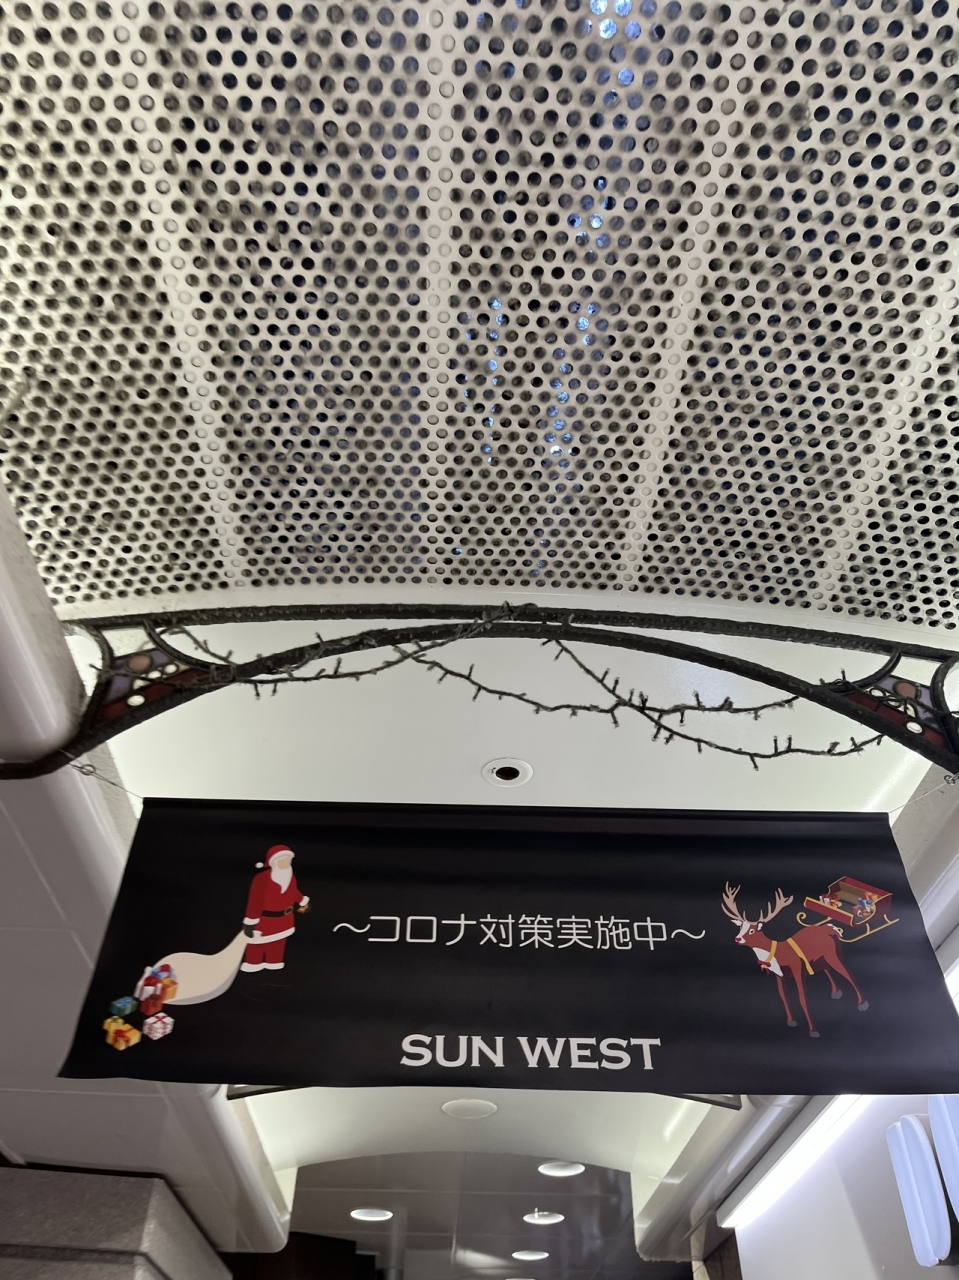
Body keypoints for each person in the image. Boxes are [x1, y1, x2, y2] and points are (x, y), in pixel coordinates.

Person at [240, 845, 310, 973]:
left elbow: (293, 892)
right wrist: (250, 922)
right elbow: (255, 901)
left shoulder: (290, 875)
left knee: (278, 943)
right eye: (283, 859)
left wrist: (302, 901)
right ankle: (253, 964)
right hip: (264, 920)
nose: (287, 862)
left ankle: (274, 963)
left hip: (284, 919)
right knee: (257, 944)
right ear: (274, 861)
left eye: (289, 859)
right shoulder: (262, 878)